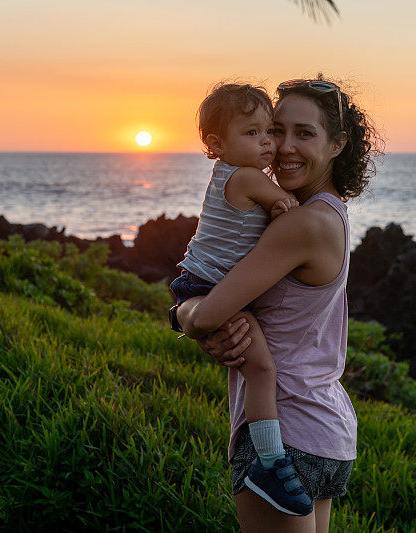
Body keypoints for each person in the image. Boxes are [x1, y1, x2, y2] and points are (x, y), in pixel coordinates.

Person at [177, 76, 379, 533]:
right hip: (325, 429)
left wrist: (183, 314)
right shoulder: (331, 212)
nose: (282, 146)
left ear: (337, 144)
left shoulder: (298, 224)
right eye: (275, 129)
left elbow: (206, 315)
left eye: (304, 134)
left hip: (281, 434)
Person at [168, 82, 310, 515]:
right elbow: (291, 208)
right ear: (216, 144)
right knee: (262, 369)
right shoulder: (247, 178)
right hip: (210, 290)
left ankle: (266, 458)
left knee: (256, 368)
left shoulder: (227, 174)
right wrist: (284, 202)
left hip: (195, 282)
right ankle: (270, 461)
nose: (267, 141)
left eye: (268, 130)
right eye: (252, 133)